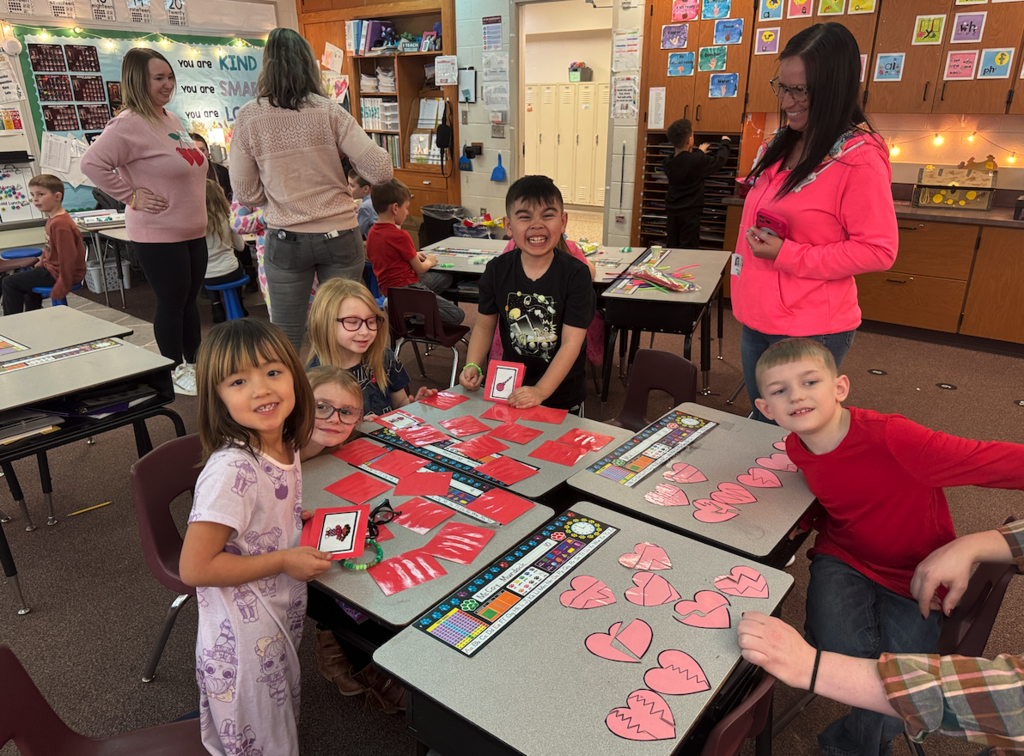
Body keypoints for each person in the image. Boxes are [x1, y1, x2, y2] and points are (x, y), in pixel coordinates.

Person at [753, 337, 1024, 756]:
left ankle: (849, 747)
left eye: (810, 382)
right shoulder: (796, 444)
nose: (797, 396)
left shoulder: (894, 437)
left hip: (913, 573)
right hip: (843, 557)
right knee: (847, 656)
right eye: (780, 390)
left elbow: (982, 459)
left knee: (898, 688)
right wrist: (804, 523)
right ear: (766, 409)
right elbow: (836, 496)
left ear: (840, 387)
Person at [739, 517, 1024, 755]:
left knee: (887, 713)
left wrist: (812, 667)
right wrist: (971, 545)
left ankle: (849, 743)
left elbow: (1007, 701)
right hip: (859, 563)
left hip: (901, 580)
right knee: (882, 704)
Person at [731, 23, 898, 422]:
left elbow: (879, 250)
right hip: (757, 314)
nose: (788, 101)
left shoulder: (859, 157)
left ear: (834, 88)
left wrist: (789, 254)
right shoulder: (784, 140)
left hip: (807, 325)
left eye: (800, 90)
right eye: (782, 87)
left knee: (796, 430)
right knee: (767, 421)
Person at [179, 318, 331, 756]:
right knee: (264, 738)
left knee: (275, 724)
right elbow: (195, 567)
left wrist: (289, 521)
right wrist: (283, 560)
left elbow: (255, 517)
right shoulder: (232, 469)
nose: (262, 389)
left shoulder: (281, 440)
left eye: (273, 371)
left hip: (270, 614)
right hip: (243, 642)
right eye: (238, 380)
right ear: (218, 398)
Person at [230, 27, 393, 354]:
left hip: (285, 238)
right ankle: (349, 400)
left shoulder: (250, 116)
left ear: (267, 66)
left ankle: (292, 403)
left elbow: (246, 193)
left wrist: (278, 195)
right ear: (309, 65)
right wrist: (345, 161)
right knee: (346, 329)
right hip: (339, 233)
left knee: (286, 337)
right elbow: (381, 170)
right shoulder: (328, 110)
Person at [81, 47, 208, 396]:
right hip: (158, 231)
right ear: (139, 81)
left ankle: (193, 364)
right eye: (159, 78)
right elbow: (92, 164)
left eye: (170, 77)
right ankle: (169, 371)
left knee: (189, 300)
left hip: (192, 228)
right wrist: (132, 196)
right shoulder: (127, 125)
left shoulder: (171, 119)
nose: (168, 84)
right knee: (172, 301)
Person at [300, 365, 408, 714]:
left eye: (346, 412)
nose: (334, 418)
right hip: (271, 563)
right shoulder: (278, 455)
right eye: (322, 407)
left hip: (314, 533)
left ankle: (339, 646)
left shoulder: (332, 442)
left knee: (365, 569)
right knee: (349, 592)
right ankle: (367, 662)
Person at [458, 175, 595, 414]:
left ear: (563, 222)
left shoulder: (576, 275)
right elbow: (483, 326)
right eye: (525, 216)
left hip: (561, 397)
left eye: (548, 215)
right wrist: (473, 364)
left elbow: (572, 342)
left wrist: (541, 390)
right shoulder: (497, 270)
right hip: (511, 389)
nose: (537, 224)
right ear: (508, 226)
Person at [306, 277, 436, 419]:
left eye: (371, 321)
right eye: (352, 322)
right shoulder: (316, 376)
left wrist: (415, 405)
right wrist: (358, 429)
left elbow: (399, 403)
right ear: (325, 323)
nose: (365, 331)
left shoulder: (384, 357)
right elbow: (316, 433)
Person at [365, 179, 465, 325]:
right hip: (410, 288)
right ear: (395, 208)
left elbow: (386, 256)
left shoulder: (372, 233)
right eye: (406, 208)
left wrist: (412, 254)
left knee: (446, 278)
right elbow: (420, 268)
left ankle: (410, 305)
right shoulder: (400, 235)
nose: (407, 212)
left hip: (390, 291)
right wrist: (430, 261)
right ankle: (415, 313)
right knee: (457, 315)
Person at [1, 174, 85, 315]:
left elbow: (68, 258)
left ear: (57, 196)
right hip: (51, 269)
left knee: (9, 283)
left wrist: (63, 285)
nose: (35, 199)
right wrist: (41, 264)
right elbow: (49, 248)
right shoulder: (52, 218)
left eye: (41, 194)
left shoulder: (60, 224)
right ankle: (34, 318)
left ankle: (13, 324)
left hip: (60, 274)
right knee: (23, 285)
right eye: (33, 194)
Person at [663, 119, 731, 249]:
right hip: (690, 212)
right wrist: (725, 142)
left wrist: (699, 153)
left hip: (672, 211)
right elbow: (719, 160)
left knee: (671, 246)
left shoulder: (668, 162)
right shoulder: (696, 160)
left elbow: (683, 162)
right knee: (688, 247)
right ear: (689, 140)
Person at [203, 180, 249, 323]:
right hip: (231, 271)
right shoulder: (228, 218)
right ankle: (239, 305)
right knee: (234, 263)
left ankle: (217, 307)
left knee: (210, 269)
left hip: (207, 276)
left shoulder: (197, 222)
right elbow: (240, 247)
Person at [191, 132, 232, 202]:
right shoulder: (182, 176)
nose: (199, 154)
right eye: (194, 151)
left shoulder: (222, 171)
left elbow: (230, 196)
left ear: (208, 151)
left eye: (202, 150)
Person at [348, 170, 376, 239]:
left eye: (352, 186)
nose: (348, 188)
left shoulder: (365, 207)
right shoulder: (374, 199)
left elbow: (358, 232)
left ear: (366, 189)